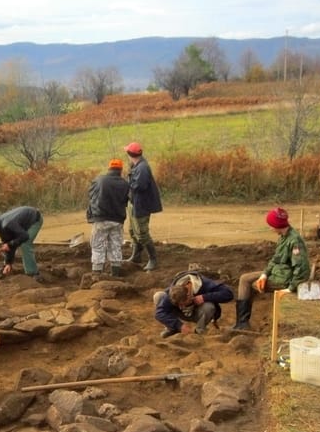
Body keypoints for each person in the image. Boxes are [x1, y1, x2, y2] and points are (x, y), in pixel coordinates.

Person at [231, 207, 311, 331]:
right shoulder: (283, 237)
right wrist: (264, 274)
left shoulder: (294, 241)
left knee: (250, 285)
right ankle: (242, 323)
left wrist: (290, 289)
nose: (270, 228)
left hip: (284, 278)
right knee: (244, 278)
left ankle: (243, 323)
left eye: (271, 225)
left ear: (277, 226)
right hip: (277, 272)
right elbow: (275, 259)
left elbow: (302, 268)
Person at [154, 270, 234, 337]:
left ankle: (199, 332)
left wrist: (205, 297)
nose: (181, 307)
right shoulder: (173, 291)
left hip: (199, 313)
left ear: (189, 295)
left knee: (209, 306)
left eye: (183, 304)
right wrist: (179, 325)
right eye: (178, 305)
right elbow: (159, 313)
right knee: (159, 296)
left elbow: (228, 294)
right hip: (183, 315)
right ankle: (172, 328)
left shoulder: (204, 284)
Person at [86, 158, 130, 276]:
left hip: (101, 219)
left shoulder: (99, 180)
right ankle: (115, 274)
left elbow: (91, 195)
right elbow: (126, 200)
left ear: (109, 168)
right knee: (115, 245)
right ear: (120, 170)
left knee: (97, 245)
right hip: (118, 220)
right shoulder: (125, 184)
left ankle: (96, 274)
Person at [124, 142, 163, 271]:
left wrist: (127, 185)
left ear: (130, 154)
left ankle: (153, 259)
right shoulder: (136, 165)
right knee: (132, 231)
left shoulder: (142, 168)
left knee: (142, 233)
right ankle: (136, 256)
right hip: (134, 202)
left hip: (141, 204)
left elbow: (140, 186)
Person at [0, 206, 44, 282]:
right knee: (12, 243)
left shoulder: (8, 224)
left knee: (25, 244)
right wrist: (8, 263)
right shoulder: (0, 225)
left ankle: (33, 273)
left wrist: (10, 244)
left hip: (34, 219)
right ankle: (6, 266)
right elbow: (7, 243)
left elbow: (24, 236)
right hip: (23, 222)